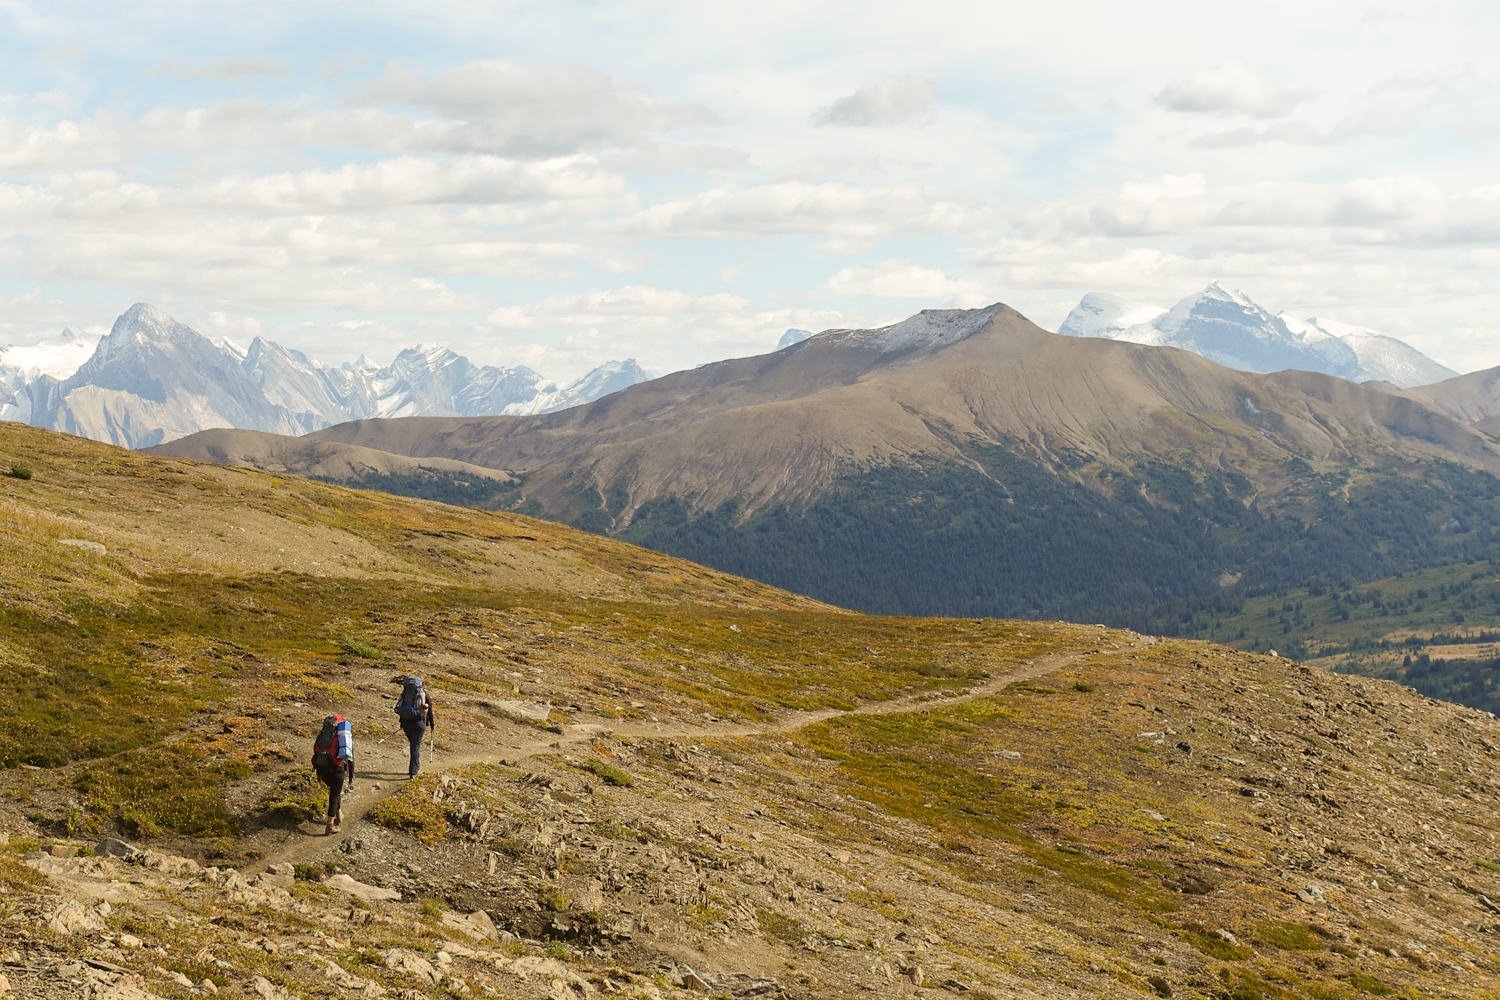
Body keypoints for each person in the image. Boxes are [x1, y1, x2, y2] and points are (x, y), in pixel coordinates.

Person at [311, 714, 355, 835]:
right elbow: (350, 759)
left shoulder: (321, 736)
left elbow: (315, 750)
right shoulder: (342, 738)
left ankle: (338, 813)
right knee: (334, 795)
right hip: (337, 770)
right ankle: (329, 825)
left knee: (335, 792)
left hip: (322, 770)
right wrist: (351, 777)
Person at [395, 676, 435, 778]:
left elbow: (400, 707)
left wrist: (402, 722)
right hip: (419, 724)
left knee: (413, 745)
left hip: (406, 724)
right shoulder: (424, 694)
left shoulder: (405, 694)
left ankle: (414, 768)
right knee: (415, 746)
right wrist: (432, 724)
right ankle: (413, 771)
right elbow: (429, 711)